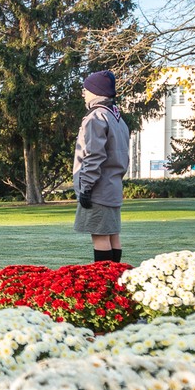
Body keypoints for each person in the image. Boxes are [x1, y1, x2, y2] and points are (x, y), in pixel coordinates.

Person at [73, 70, 130, 263]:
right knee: (112, 233)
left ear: (96, 91)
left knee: (100, 236)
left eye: (86, 89)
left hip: (98, 187)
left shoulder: (96, 117)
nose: (83, 93)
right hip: (113, 186)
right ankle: (115, 281)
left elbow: (94, 154)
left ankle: (105, 285)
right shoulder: (118, 119)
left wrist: (86, 187)